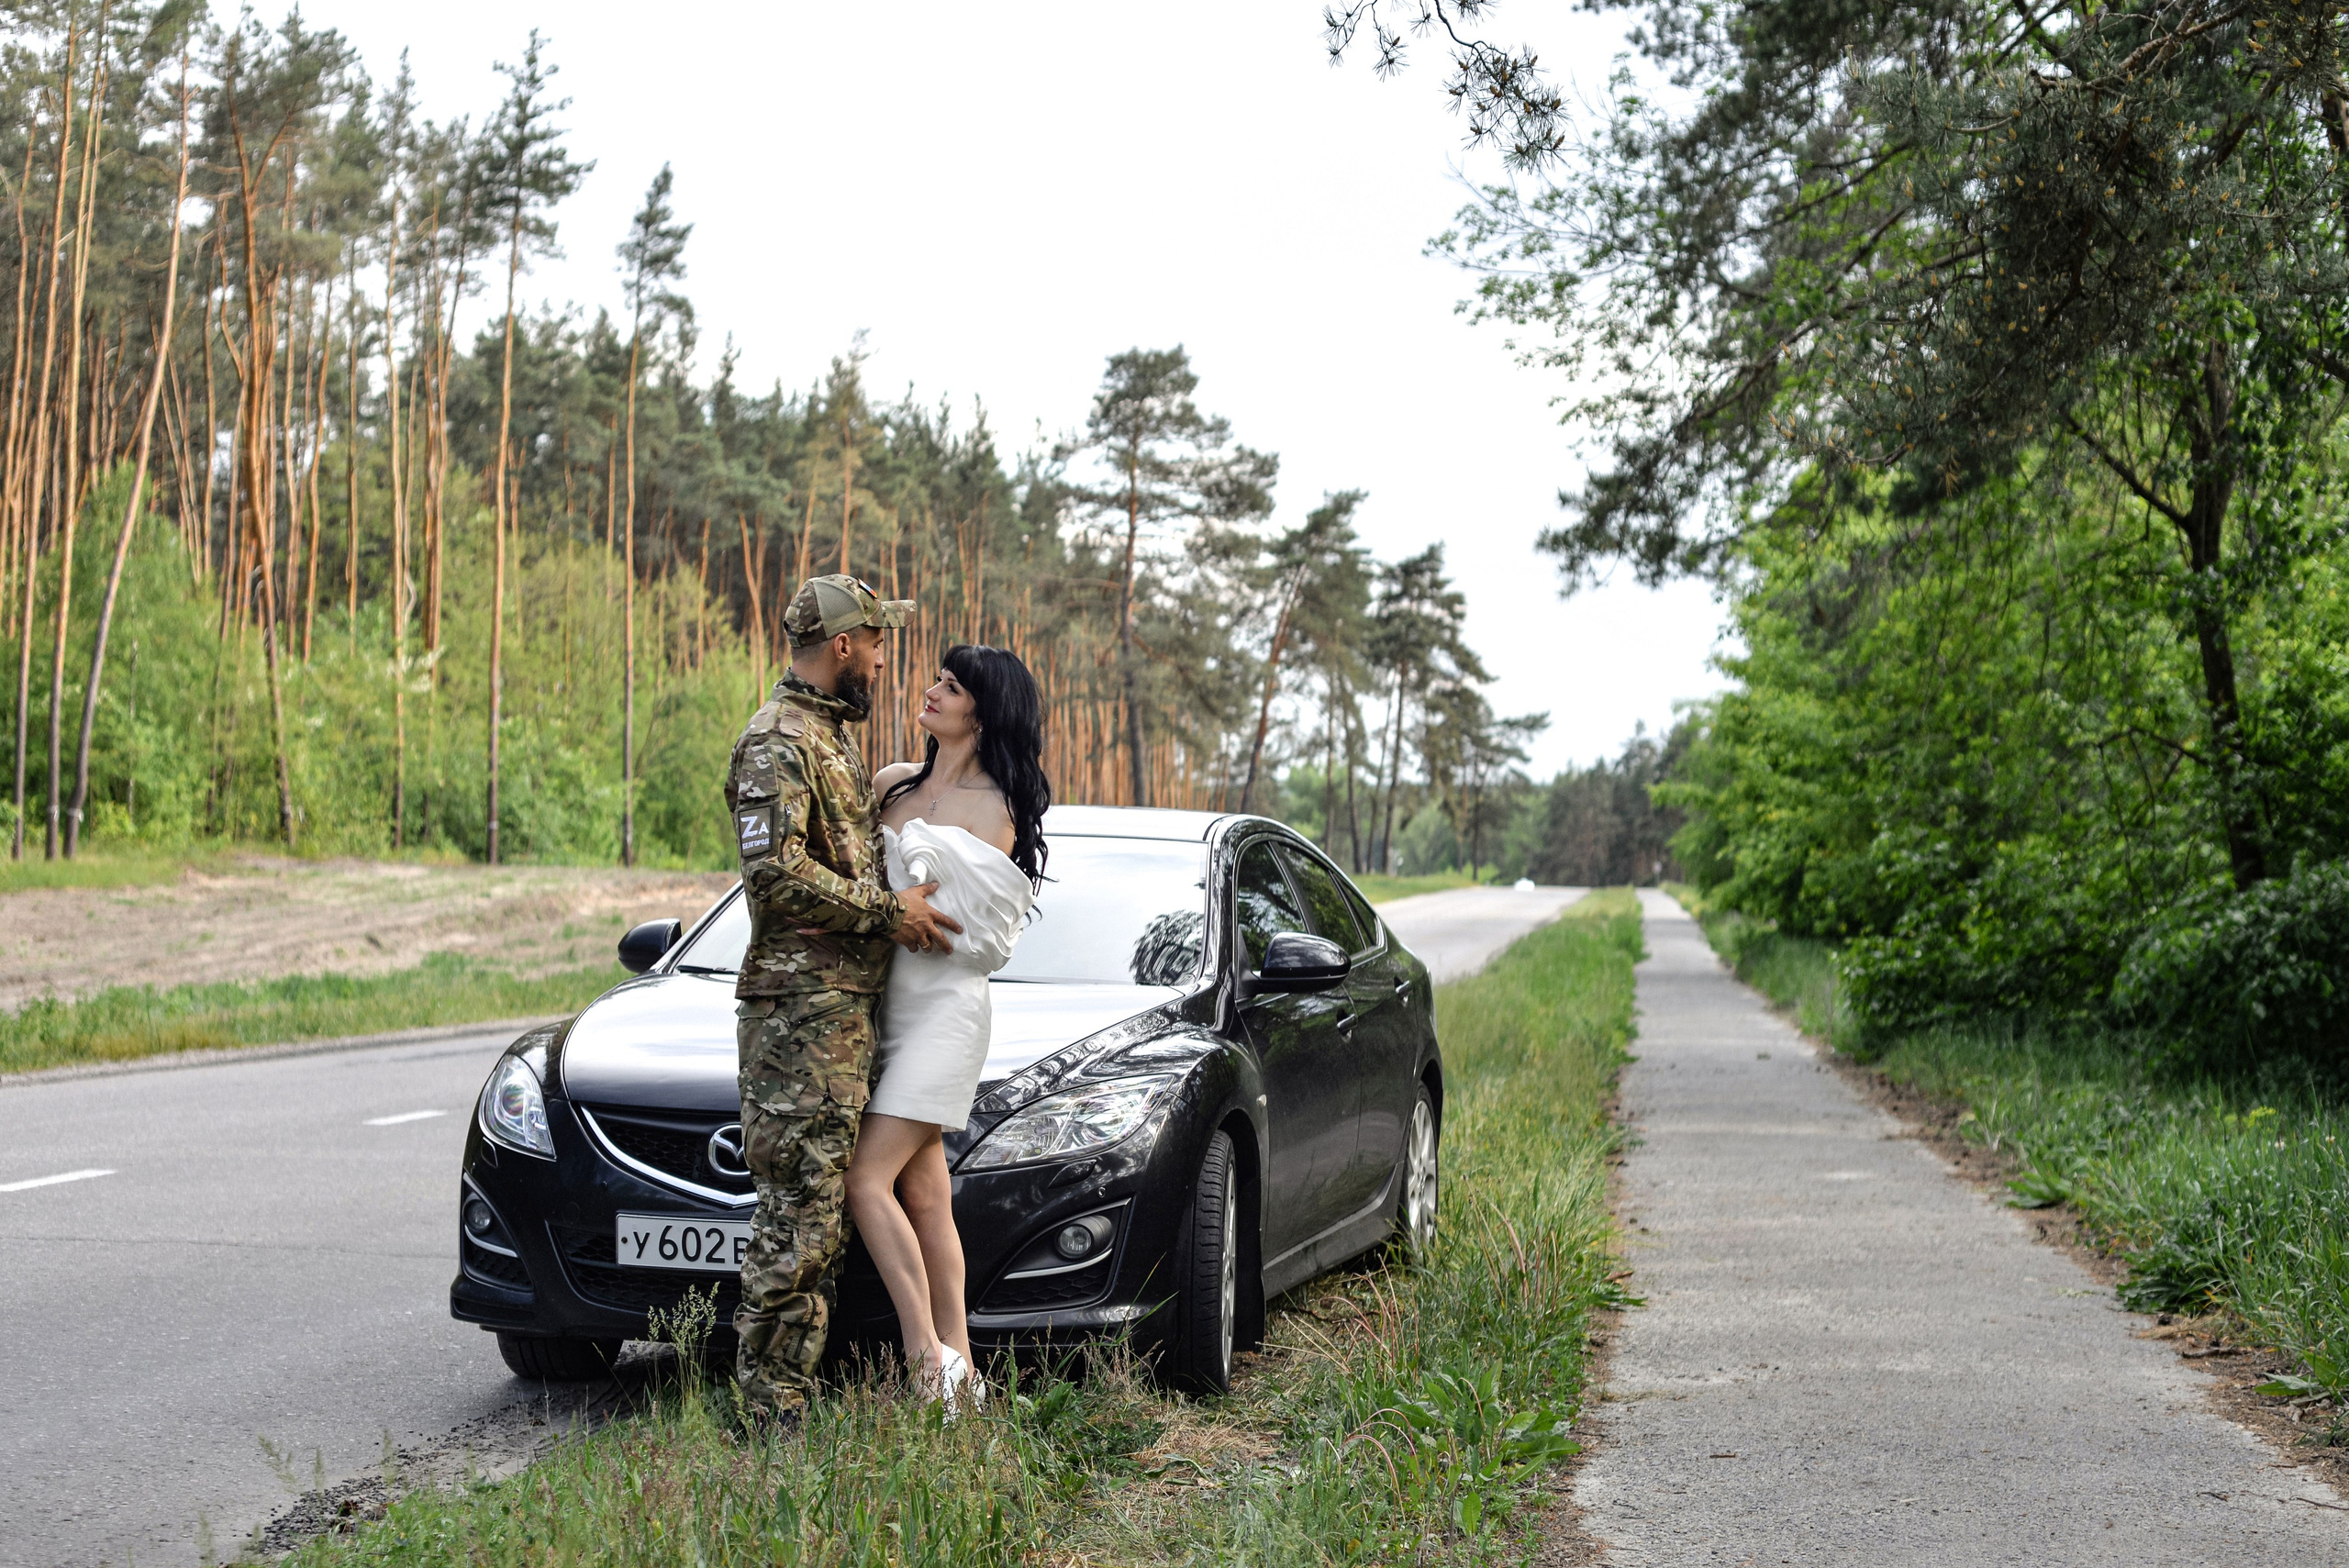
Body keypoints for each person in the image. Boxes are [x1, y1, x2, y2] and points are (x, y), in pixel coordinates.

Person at [725, 573, 963, 1421]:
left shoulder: (830, 737)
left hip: (839, 1019)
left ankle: (789, 1400)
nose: (884, 659)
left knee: (819, 1218)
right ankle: (770, 1412)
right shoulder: (777, 740)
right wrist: (888, 911)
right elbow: (775, 871)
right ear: (842, 646)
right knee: (799, 1220)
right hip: (799, 1020)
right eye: (876, 642)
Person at [846, 644, 1051, 1407]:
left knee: (865, 1179)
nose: (931, 690)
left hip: (945, 1013)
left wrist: (901, 905)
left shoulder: (1000, 809)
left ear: (983, 713)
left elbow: (957, 924)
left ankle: (925, 1361)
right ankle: (966, 1377)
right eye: (937, 678)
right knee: (928, 1194)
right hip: (880, 1008)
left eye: (952, 686)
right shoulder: (890, 784)